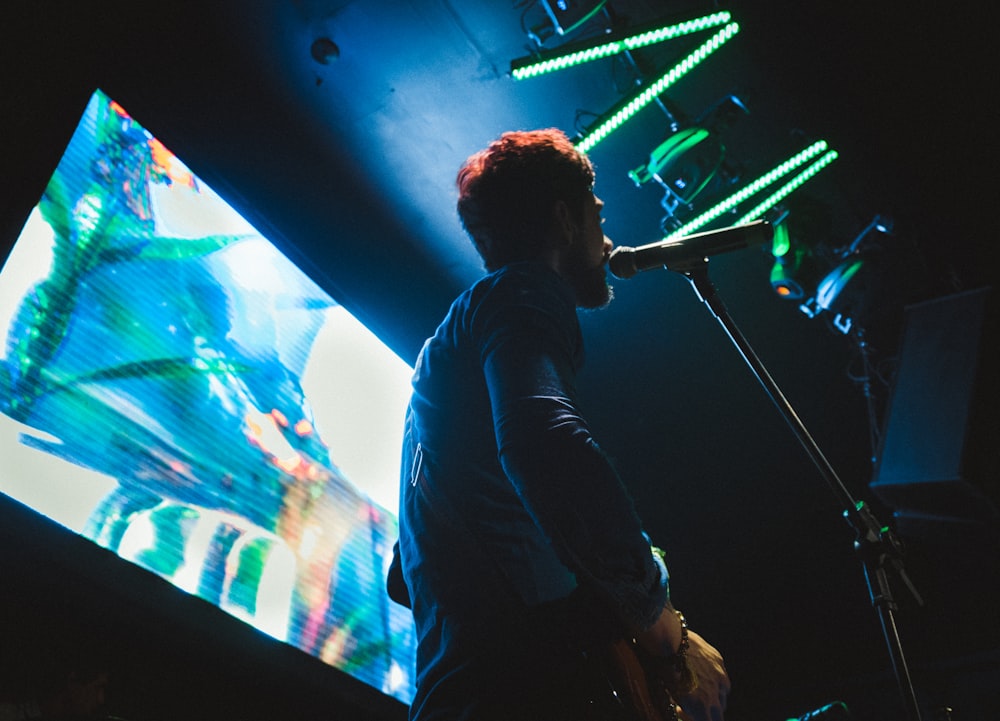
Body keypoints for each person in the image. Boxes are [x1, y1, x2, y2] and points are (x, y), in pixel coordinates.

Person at [389, 128, 729, 720]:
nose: (609, 238)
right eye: (598, 216)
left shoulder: (448, 360)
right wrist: (661, 629)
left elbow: (405, 574)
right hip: (523, 689)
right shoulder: (522, 292)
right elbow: (545, 443)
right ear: (564, 218)